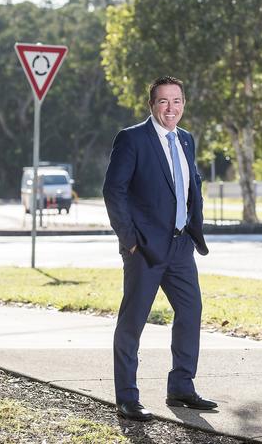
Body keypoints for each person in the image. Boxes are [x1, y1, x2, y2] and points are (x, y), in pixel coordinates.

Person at [103, 76, 217, 421]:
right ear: (152, 105)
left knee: (190, 312)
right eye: (164, 101)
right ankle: (127, 397)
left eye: (177, 101)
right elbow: (114, 191)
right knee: (132, 321)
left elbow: (188, 186)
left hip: (181, 246)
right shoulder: (132, 138)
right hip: (145, 249)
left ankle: (181, 387)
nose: (172, 108)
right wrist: (130, 241)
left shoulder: (186, 139)